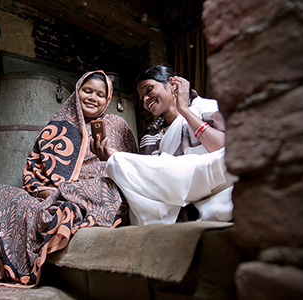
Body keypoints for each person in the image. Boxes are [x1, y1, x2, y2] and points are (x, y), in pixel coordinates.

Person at [0, 70, 137, 287]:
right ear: (77, 92)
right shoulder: (57, 125)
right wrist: (45, 192)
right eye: (87, 91)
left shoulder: (118, 126)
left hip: (93, 196)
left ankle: (67, 198)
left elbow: (132, 170)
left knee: (102, 187)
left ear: (107, 99)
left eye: (99, 94)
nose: (92, 98)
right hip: (50, 195)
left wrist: (105, 159)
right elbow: (32, 170)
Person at [93, 65, 237, 226]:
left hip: (212, 180)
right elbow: (152, 176)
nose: (146, 100)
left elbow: (226, 149)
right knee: (121, 167)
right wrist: (117, 159)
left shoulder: (204, 107)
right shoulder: (150, 136)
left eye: (149, 90)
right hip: (171, 193)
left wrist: (184, 110)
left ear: (172, 84)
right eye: (141, 99)